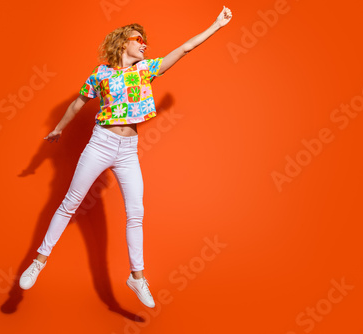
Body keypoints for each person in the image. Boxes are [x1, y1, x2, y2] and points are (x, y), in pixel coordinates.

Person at [19, 6, 233, 308]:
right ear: (123, 43)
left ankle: (136, 277)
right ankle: (39, 262)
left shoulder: (145, 70)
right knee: (70, 202)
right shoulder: (100, 74)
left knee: (136, 213)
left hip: (128, 151)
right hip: (100, 143)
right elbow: (77, 104)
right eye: (139, 39)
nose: (144, 43)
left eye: (145, 40)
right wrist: (57, 130)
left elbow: (184, 49)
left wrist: (216, 26)